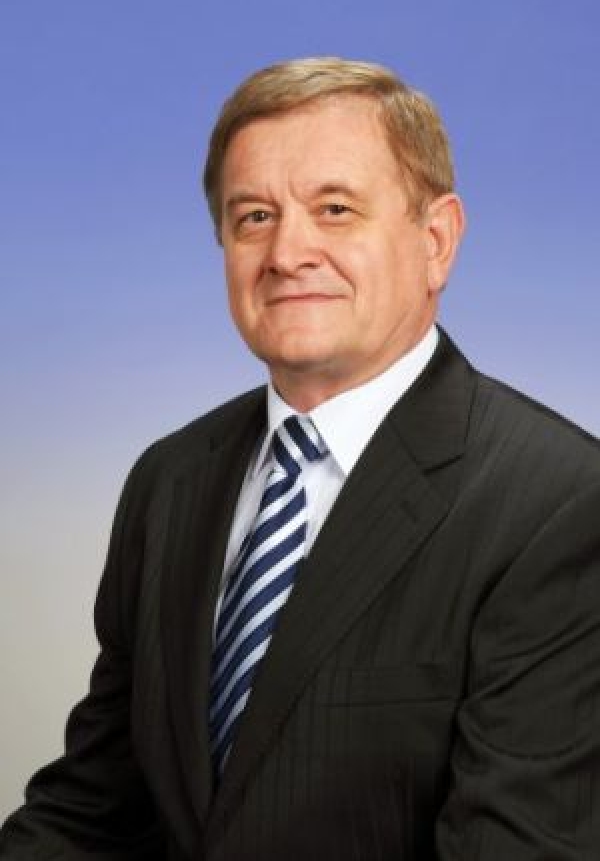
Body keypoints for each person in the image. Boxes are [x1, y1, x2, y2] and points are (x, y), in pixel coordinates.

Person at [1, 57, 599, 861]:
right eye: (254, 216)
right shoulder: (168, 481)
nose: (287, 252)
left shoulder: (558, 504)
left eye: (335, 209)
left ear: (436, 240)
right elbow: (93, 812)